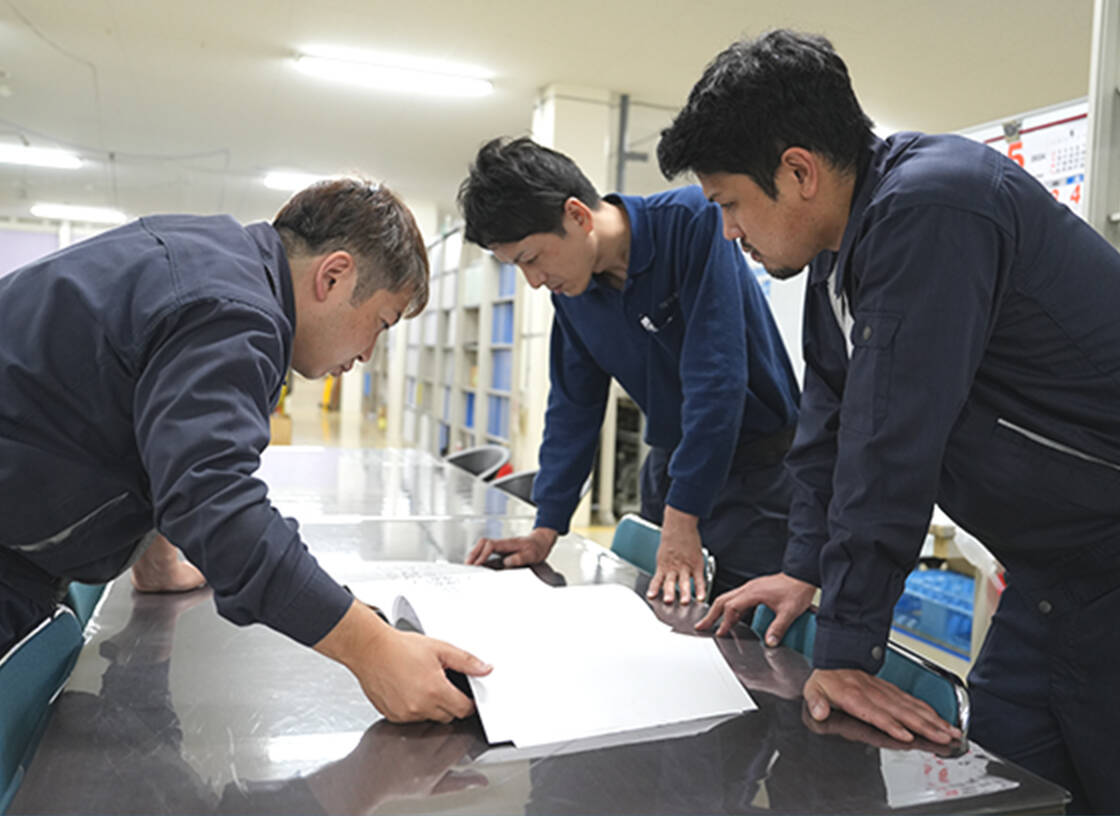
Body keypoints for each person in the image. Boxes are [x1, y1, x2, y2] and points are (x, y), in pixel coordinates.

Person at [660, 29, 1120, 813]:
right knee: (1004, 783)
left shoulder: (932, 207)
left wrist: (844, 651)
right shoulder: (842, 251)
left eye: (731, 204)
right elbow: (829, 427)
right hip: (1053, 573)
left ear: (797, 171)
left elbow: (891, 443)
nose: (730, 233)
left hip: (1106, 564)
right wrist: (805, 565)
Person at [0, 178, 491, 722]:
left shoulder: (213, 259)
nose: (369, 354)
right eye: (379, 323)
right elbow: (219, 506)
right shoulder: (235, 312)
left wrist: (156, 558)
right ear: (333, 275)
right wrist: (373, 649)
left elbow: (153, 433)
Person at [458, 137, 800, 602]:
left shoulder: (691, 222)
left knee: (744, 639)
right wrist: (547, 527)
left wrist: (684, 517)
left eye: (532, 259)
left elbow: (717, 381)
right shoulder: (574, 294)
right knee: (665, 619)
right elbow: (573, 407)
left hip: (757, 476)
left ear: (577, 216)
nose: (534, 281)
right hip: (670, 471)